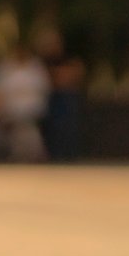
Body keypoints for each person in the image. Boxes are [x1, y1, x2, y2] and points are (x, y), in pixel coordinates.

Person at [0, 38, 50, 164]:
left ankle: (30, 153)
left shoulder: (36, 68)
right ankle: (25, 153)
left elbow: (43, 90)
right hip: (10, 112)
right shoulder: (4, 69)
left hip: (32, 112)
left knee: (26, 128)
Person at [33, 26, 86, 164]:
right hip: (46, 100)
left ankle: (69, 154)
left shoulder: (67, 57)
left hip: (64, 99)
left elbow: (73, 75)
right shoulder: (39, 61)